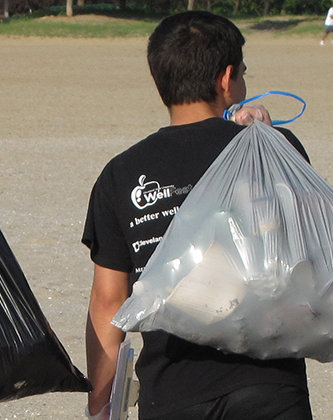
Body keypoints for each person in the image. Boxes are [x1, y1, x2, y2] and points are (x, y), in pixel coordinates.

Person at [82, 11, 313, 420]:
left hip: (171, 393)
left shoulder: (121, 174)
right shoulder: (275, 150)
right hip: (268, 386)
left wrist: (101, 405)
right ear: (227, 79)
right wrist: (268, 140)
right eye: (243, 73)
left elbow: (108, 302)